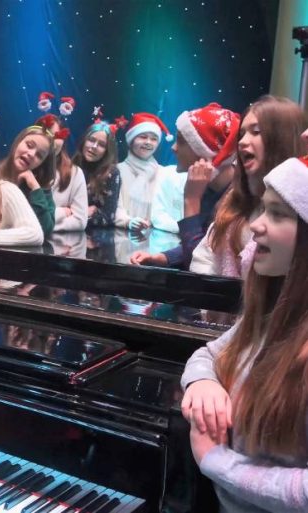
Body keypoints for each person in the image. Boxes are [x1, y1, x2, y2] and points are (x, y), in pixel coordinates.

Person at [180, 156, 308, 512]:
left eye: (278, 214)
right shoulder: (273, 317)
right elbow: (210, 352)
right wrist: (202, 383)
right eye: (263, 209)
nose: (256, 225)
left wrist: (217, 462)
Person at [189, 96, 307, 277]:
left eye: (256, 132)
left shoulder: (299, 208)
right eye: (242, 134)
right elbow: (203, 258)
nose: (242, 141)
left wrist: (191, 200)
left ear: (283, 139)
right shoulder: (234, 200)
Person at [129, 103, 240, 270]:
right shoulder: (210, 189)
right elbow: (204, 243)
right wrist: (164, 257)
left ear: (205, 151)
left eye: (181, 141)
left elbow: (198, 262)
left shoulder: (239, 198)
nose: (173, 148)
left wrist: (191, 200)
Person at [1, 115, 81, 236]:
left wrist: (35, 188)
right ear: (18, 141)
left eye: (39, 155)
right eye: (29, 145)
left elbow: (46, 229)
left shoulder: (41, 187)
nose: (31, 154)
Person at [114, 112, 175, 231]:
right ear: (131, 140)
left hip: (157, 237)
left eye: (154, 139)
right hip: (121, 234)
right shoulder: (117, 170)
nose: (148, 142)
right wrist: (127, 221)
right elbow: (114, 207)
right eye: (143, 137)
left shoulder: (164, 173)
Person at [71, 120, 123, 227]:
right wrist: (85, 212)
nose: (94, 146)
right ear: (84, 141)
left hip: (94, 235)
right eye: (91, 140)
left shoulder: (112, 173)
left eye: (102, 145)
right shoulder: (70, 166)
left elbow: (108, 217)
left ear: (107, 150)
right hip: (65, 229)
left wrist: (78, 215)